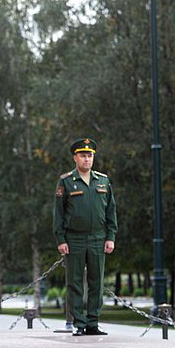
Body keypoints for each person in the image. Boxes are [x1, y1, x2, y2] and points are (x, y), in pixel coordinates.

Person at [54, 138, 117, 336]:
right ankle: (79, 323)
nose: (87, 159)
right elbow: (59, 213)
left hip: (98, 237)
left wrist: (111, 236)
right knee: (74, 281)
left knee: (96, 281)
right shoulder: (66, 181)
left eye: (89, 155)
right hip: (74, 239)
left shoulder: (103, 181)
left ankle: (93, 322)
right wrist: (61, 240)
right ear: (75, 158)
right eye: (82, 155)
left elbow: (110, 211)